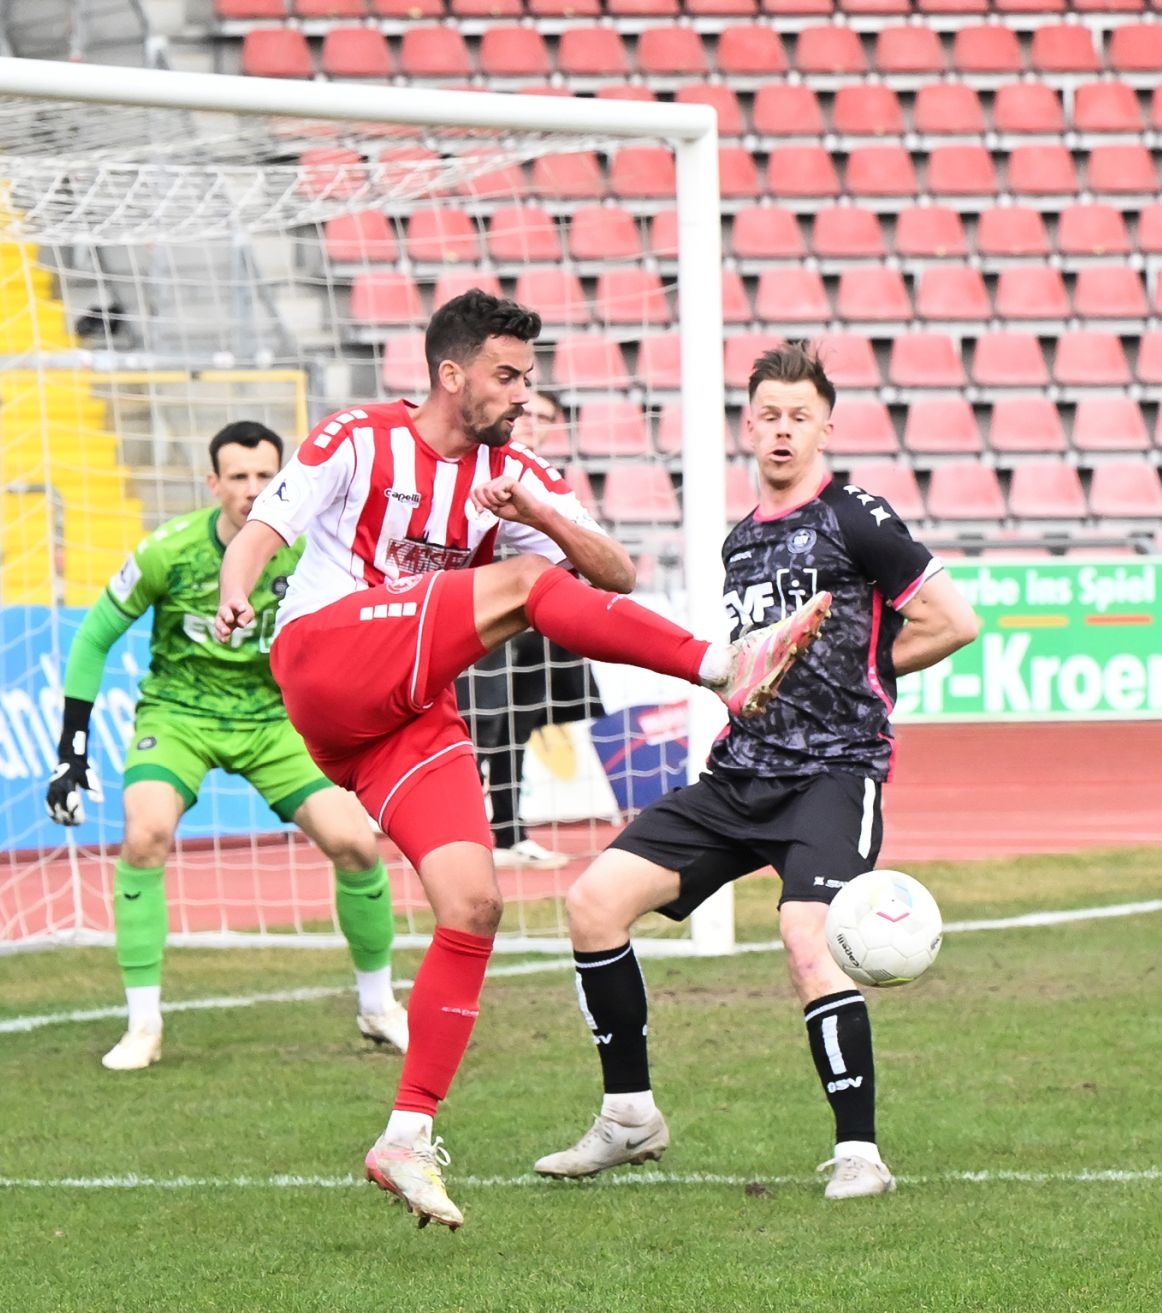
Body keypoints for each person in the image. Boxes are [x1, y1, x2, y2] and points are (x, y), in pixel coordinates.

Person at [216, 290, 831, 1229]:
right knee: (519, 583)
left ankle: (406, 1135)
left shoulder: (515, 472)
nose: (523, 393)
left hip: (401, 712)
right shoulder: (358, 436)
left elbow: (614, 573)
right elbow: (266, 527)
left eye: (529, 377)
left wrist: (538, 508)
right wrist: (235, 589)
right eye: (507, 376)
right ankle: (720, 667)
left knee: (475, 903)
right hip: (324, 655)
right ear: (450, 374)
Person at [532, 341, 980, 1200]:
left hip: (833, 775)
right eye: (769, 414)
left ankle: (860, 1154)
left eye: (799, 416)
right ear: (749, 424)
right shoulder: (740, 541)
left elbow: (954, 621)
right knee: (593, 902)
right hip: (740, 773)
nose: (782, 430)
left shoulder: (856, 515)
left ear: (825, 428)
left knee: (808, 936)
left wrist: (862, 670)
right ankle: (629, 1115)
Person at [47, 421, 407, 1072]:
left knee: (355, 842)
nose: (252, 489)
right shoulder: (169, 551)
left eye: (266, 475)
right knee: (145, 833)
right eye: (238, 477)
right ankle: (143, 1024)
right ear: (213, 483)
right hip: (180, 716)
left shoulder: (311, 552)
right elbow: (94, 636)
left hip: (276, 721)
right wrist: (71, 752)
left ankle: (378, 1007)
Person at [456, 391, 599, 870]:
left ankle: (510, 833)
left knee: (521, 724)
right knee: (479, 722)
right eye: (528, 413)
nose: (532, 422)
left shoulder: (552, 485)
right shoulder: (479, 467)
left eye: (544, 417)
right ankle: (460, 832)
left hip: (539, 618)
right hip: (484, 613)